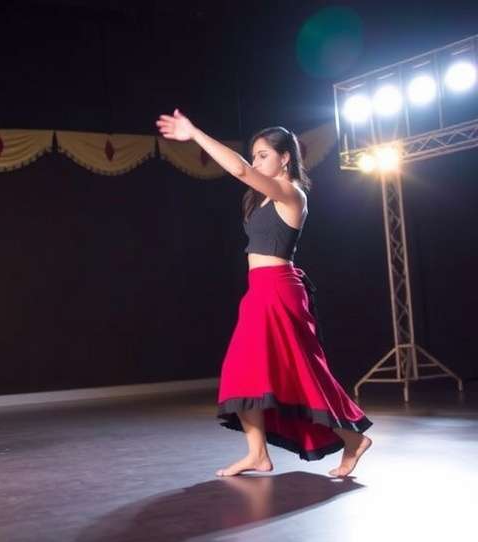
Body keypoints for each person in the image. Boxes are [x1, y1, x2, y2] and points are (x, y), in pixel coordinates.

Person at [156, 109, 372, 478]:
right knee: (243, 371)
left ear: (285, 157)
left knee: (299, 373)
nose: (256, 161)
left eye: (262, 155)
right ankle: (257, 454)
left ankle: (352, 439)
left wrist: (194, 132)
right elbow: (245, 175)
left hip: (280, 292)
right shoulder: (262, 199)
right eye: (254, 155)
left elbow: (239, 170)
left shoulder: (292, 193)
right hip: (259, 292)